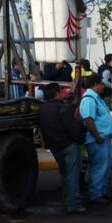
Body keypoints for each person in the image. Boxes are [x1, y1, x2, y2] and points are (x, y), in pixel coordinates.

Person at [38, 83, 85, 214]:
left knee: (64, 174)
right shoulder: (63, 108)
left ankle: (67, 199)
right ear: (57, 94)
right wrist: (80, 139)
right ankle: (73, 203)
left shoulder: (42, 110)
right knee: (72, 175)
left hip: (54, 146)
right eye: (60, 91)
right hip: (68, 145)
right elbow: (72, 129)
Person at [79, 75, 112, 205]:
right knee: (98, 167)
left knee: (104, 167)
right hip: (97, 140)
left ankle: (101, 192)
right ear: (95, 84)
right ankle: (96, 194)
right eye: (101, 84)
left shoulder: (96, 99)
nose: (103, 87)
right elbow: (88, 120)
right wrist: (97, 137)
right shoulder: (89, 99)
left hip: (102, 138)